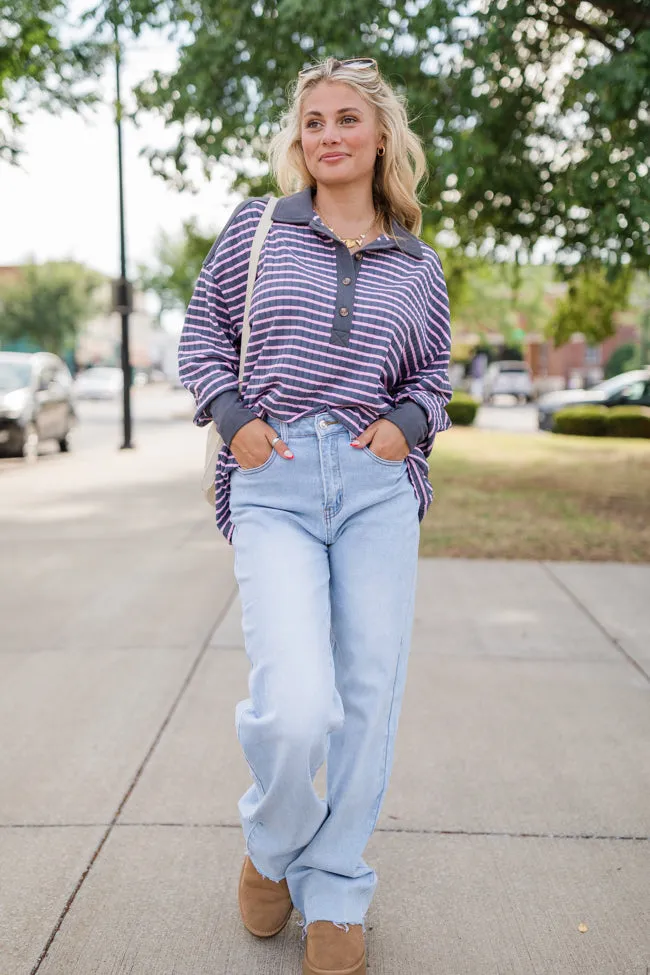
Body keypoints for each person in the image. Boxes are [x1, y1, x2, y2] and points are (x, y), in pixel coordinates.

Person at [179, 56, 452, 975]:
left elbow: (434, 376)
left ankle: (336, 891)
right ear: (298, 140)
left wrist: (403, 427)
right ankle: (272, 845)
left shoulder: (419, 263)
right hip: (275, 480)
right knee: (297, 706)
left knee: (368, 701)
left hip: (378, 488)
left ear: (381, 137)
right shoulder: (258, 228)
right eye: (313, 122)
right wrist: (234, 418)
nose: (327, 135)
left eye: (346, 119)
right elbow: (203, 331)